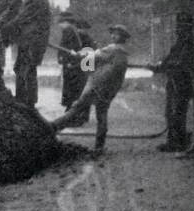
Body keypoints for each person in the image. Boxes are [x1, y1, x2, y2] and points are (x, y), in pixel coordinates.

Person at [50, 24, 132, 154]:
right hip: (109, 90)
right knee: (102, 115)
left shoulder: (112, 49)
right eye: (113, 33)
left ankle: (51, 128)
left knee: (76, 108)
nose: (113, 35)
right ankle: (99, 147)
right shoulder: (123, 54)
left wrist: (77, 54)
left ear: (122, 37)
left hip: (97, 85)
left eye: (116, 34)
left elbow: (92, 55)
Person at [150, 13, 194, 152]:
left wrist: (160, 67)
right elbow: (169, 59)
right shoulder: (180, 43)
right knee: (171, 112)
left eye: (181, 27)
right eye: (178, 27)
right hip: (175, 81)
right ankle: (174, 141)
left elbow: (180, 63)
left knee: (177, 112)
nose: (178, 30)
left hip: (184, 83)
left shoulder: (189, 43)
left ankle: (178, 143)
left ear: (187, 28)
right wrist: (158, 66)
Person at [2, 0, 52, 107]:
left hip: (32, 44)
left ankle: (25, 103)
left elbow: (20, 18)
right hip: (28, 42)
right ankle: (27, 102)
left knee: (25, 71)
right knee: (24, 70)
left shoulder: (38, 0)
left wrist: (2, 28)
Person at [56, 9, 90, 119]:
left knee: (73, 90)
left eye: (61, 22)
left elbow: (72, 49)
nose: (60, 25)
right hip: (72, 65)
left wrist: (69, 62)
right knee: (73, 90)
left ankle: (74, 114)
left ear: (66, 22)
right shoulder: (70, 31)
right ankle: (73, 113)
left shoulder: (69, 31)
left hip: (73, 66)